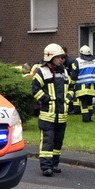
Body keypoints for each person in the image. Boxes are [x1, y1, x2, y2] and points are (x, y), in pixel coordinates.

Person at [31, 43, 71, 177]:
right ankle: (46, 167)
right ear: (50, 58)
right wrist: (47, 99)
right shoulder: (41, 72)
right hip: (48, 115)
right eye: (58, 57)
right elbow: (35, 90)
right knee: (47, 142)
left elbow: (71, 88)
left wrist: (68, 99)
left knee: (58, 142)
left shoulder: (64, 71)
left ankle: (54, 164)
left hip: (61, 115)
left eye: (62, 57)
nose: (61, 59)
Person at [74, 45, 95, 123]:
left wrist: (72, 84)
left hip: (82, 85)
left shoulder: (78, 61)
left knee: (84, 103)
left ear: (81, 53)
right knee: (90, 102)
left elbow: (74, 73)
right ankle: (89, 117)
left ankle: (85, 119)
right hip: (93, 85)